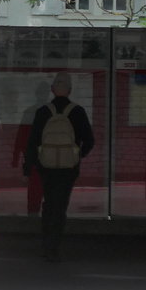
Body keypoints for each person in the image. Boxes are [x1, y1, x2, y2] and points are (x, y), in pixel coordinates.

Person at [22, 73, 95, 262]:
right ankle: (55, 245)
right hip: (68, 167)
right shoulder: (78, 112)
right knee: (61, 205)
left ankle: (46, 244)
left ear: (53, 90)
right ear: (70, 90)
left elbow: (32, 142)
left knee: (48, 203)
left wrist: (29, 166)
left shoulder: (43, 112)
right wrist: (78, 155)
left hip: (46, 166)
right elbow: (90, 140)